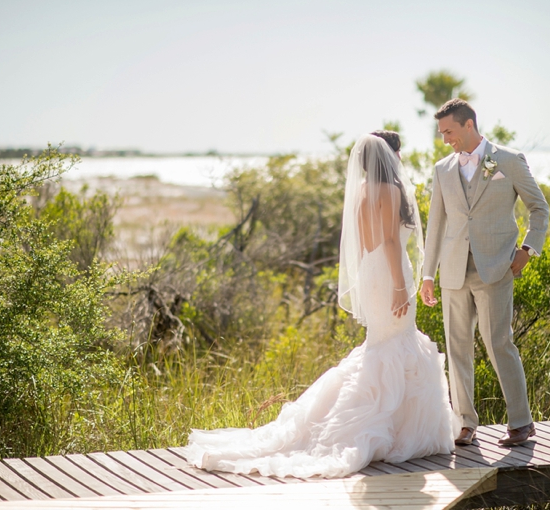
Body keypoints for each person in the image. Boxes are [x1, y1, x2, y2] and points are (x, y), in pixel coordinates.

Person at [183, 133, 458, 478]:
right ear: (391, 155)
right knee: (396, 342)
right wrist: (401, 285)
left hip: (373, 272)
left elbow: (363, 245)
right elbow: (390, 239)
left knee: (382, 344)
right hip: (389, 274)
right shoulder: (389, 190)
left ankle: (384, 423)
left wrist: (373, 281)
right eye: (398, 152)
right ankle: (382, 428)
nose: (400, 158)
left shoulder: (361, 191)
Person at [420, 98, 549, 447]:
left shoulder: (507, 160)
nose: (445, 139)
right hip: (453, 272)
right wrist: (427, 274)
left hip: (495, 269)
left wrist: (527, 250)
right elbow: (436, 225)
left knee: (499, 344)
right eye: (441, 133)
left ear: (468, 125)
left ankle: (521, 422)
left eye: (449, 131)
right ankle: (465, 423)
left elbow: (539, 207)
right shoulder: (442, 169)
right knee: (457, 348)